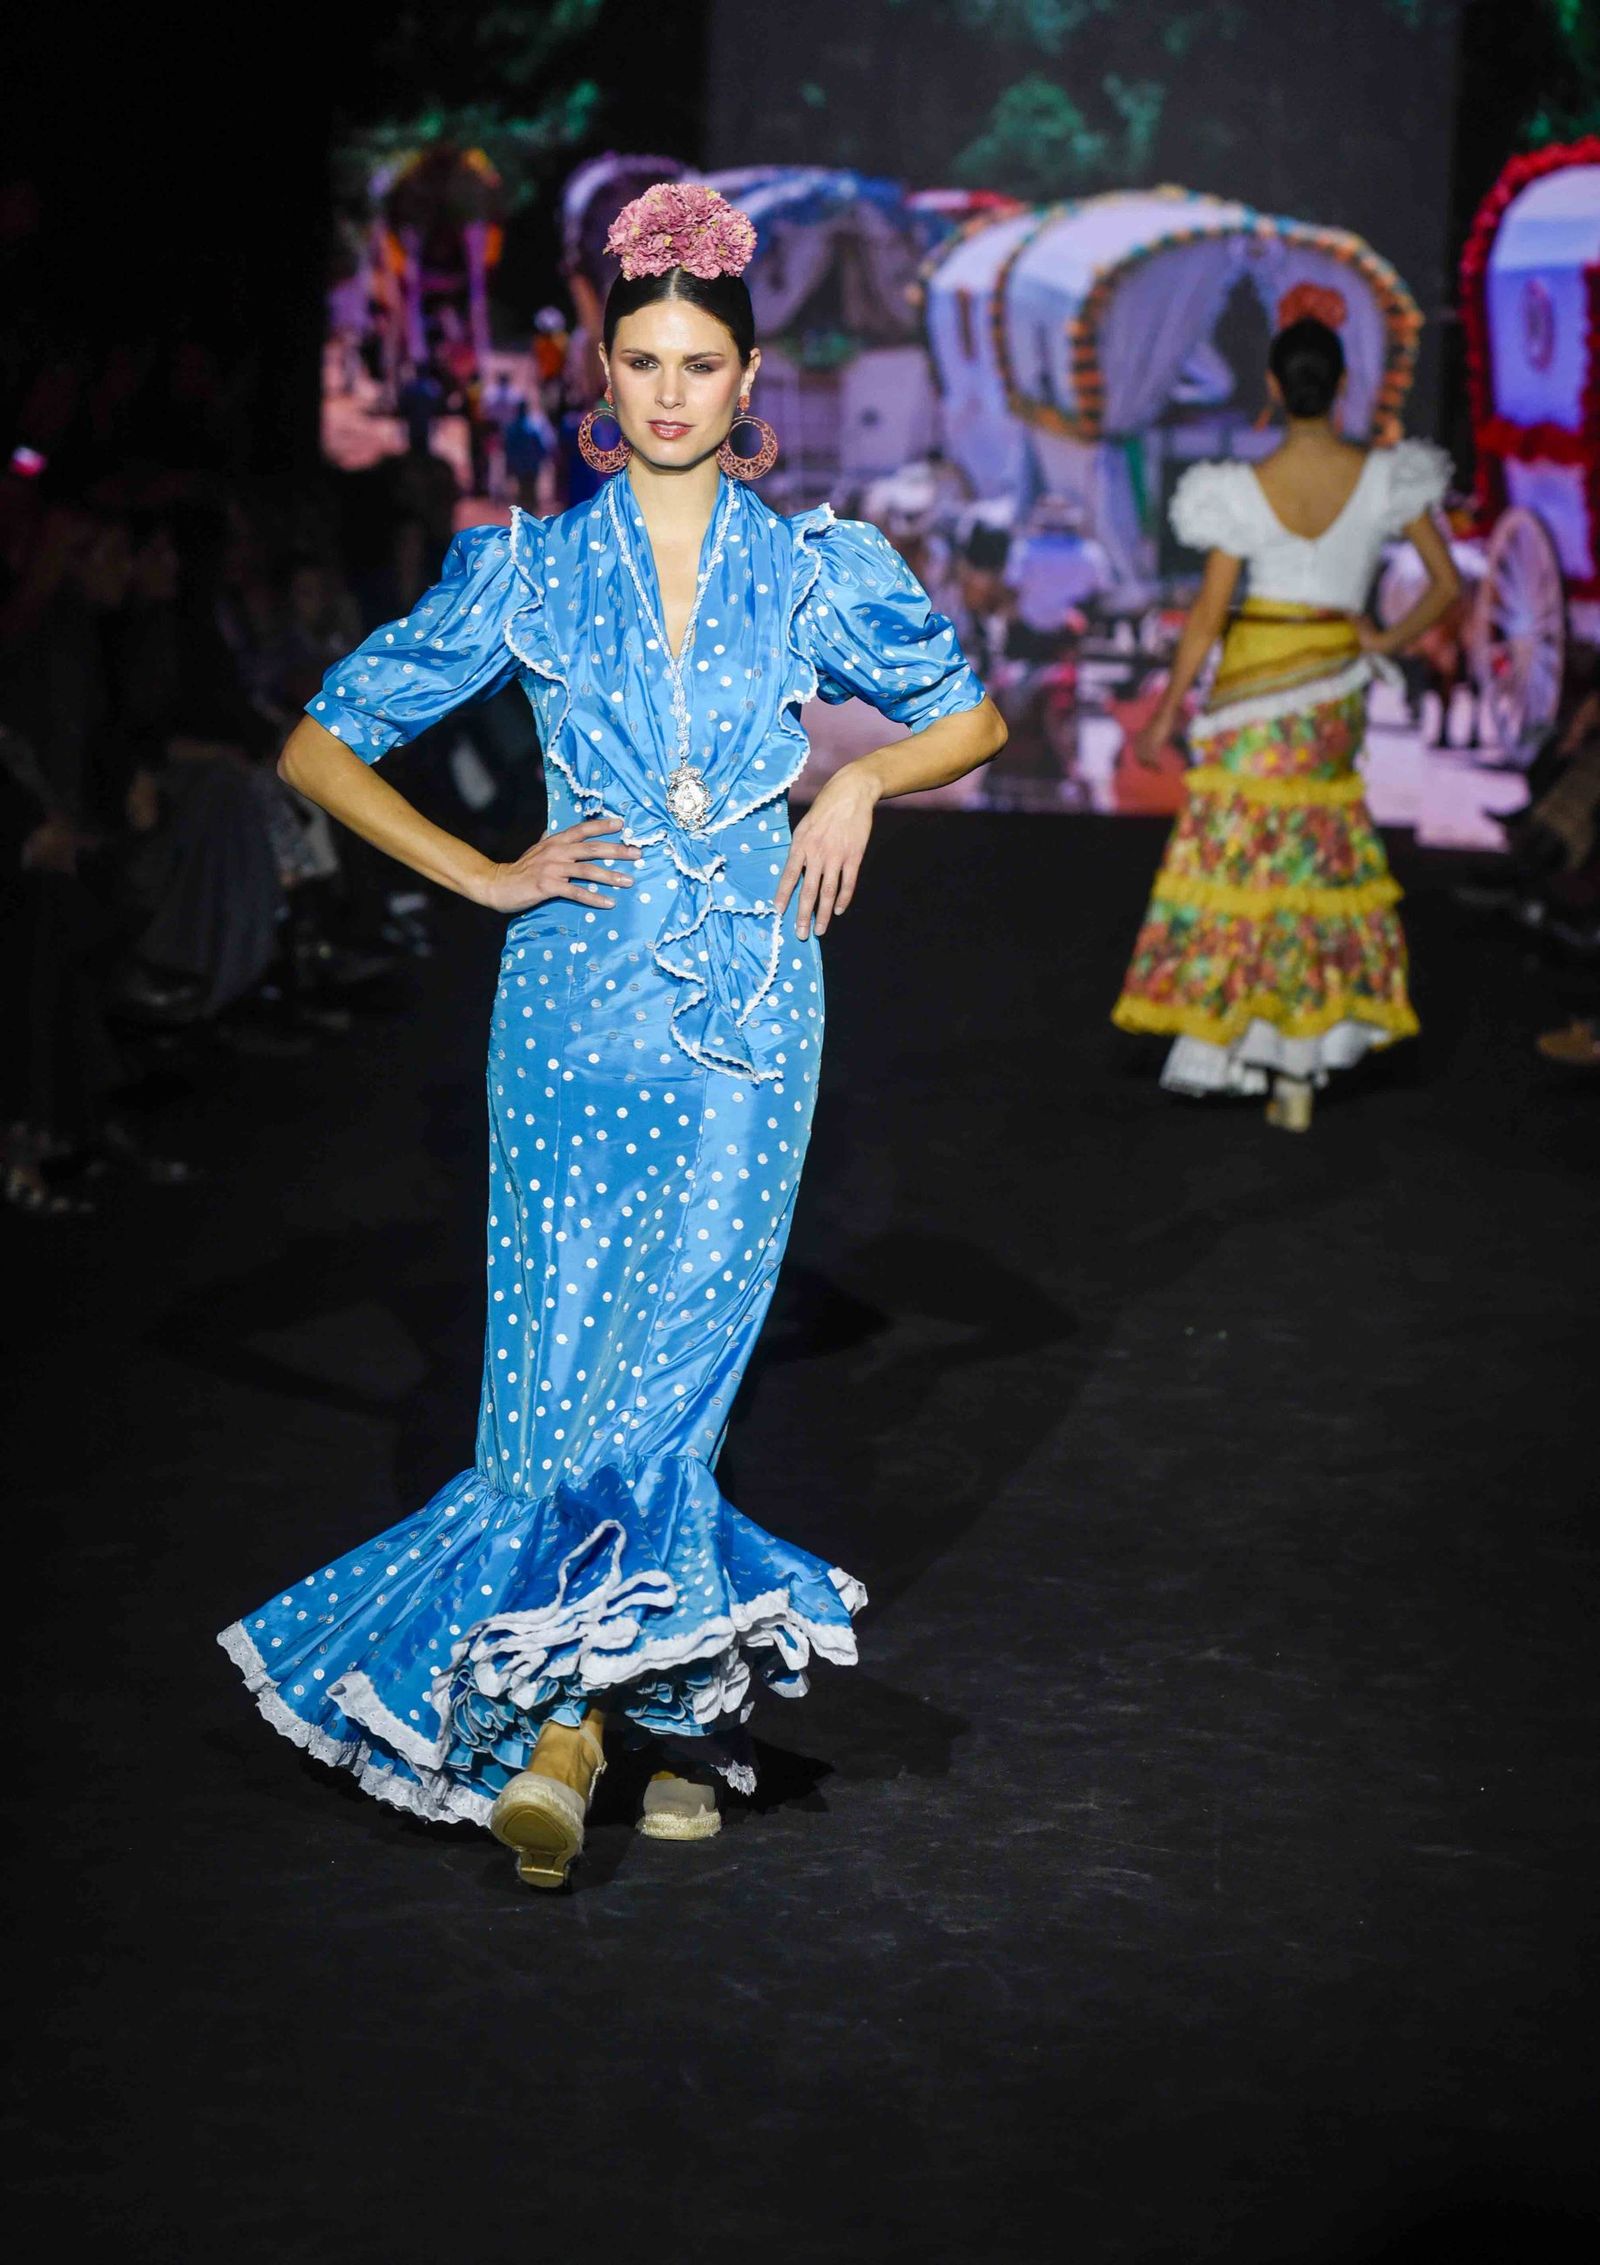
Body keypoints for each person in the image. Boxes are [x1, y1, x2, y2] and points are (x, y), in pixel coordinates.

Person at [217, 182, 1006, 1890]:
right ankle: (673, 1724)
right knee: (549, 1403)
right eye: (641, 359)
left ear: (746, 387)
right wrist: (487, 875)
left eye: (698, 364)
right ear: (604, 369)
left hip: (745, 1026)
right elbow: (320, 746)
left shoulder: (811, 569)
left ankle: (568, 1733)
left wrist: (860, 769)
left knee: (668, 1395)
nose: (666, 391)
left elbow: (973, 715)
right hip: (566, 1019)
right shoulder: (528, 569)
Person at [1111, 300, 1460, 1130]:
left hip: (1249, 699)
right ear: (1341, 389)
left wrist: (1163, 716)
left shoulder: (1241, 491)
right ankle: (1301, 1069)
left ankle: (1235, 1049)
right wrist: (1381, 636)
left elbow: (1206, 617)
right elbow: (1448, 584)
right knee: (1313, 867)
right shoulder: (1385, 478)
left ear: (1274, 386)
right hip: (1334, 692)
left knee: (1246, 870)